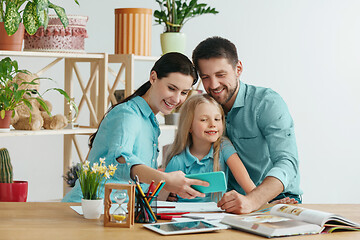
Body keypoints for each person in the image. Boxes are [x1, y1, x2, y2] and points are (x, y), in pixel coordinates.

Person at [62, 52, 208, 202]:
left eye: (184, 92)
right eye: (171, 88)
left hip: (117, 211)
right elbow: (121, 158)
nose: (177, 99)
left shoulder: (150, 122)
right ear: (153, 78)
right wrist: (165, 179)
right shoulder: (128, 114)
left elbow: (135, 182)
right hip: (88, 209)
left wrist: (164, 190)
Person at [192, 36, 302, 214]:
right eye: (205, 77)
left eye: (221, 75)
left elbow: (287, 162)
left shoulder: (267, 103)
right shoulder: (203, 109)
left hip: (277, 199)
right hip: (228, 202)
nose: (213, 85)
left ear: (238, 69)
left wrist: (253, 200)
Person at [164, 94, 256, 202]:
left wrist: (268, 206)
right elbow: (161, 199)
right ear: (189, 126)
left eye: (217, 119)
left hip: (218, 215)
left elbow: (247, 184)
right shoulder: (178, 162)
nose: (213, 124)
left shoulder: (223, 147)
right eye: (204, 120)